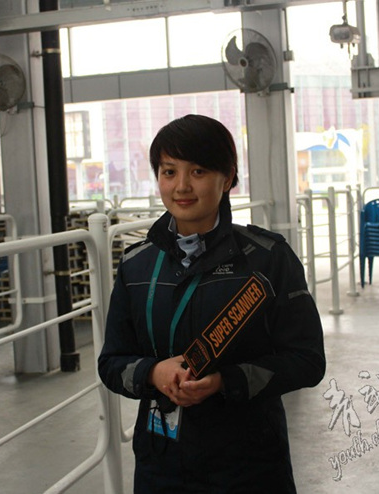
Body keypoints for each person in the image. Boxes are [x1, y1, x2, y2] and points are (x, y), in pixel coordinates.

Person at [98, 114, 326, 494]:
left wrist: (225, 381)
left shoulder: (267, 259)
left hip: (250, 465)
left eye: (199, 171)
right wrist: (153, 374)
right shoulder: (137, 265)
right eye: (169, 172)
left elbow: (307, 361)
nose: (182, 186)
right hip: (161, 465)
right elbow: (111, 363)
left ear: (228, 177)